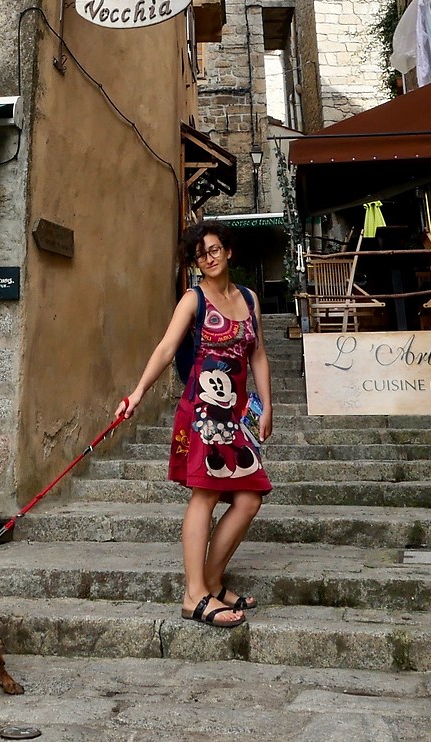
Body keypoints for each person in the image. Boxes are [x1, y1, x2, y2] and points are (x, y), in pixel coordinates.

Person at [113, 221, 272, 629]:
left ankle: (213, 581)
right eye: (201, 253)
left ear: (229, 251)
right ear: (195, 261)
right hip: (202, 412)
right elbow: (166, 348)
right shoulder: (193, 298)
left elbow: (258, 355)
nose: (209, 257)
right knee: (204, 496)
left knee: (250, 498)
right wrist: (137, 393)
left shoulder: (250, 298)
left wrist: (267, 406)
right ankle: (193, 593)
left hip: (236, 416)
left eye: (215, 249)